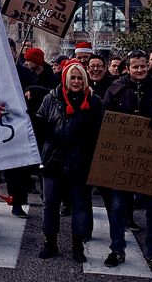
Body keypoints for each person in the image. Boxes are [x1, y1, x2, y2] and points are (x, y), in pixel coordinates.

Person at [102, 50, 152, 271]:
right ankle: (117, 249)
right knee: (118, 207)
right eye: (135, 66)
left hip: (150, 162)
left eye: (143, 66)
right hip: (122, 159)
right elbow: (103, 117)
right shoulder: (116, 89)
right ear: (127, 68)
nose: (140, 70)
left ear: (148, 67)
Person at [35, 61, 104, 262]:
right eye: (72, 77)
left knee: (79, 205)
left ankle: (77, 246)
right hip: (53, 160)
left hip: (79, 162)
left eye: (79, 78)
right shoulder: (51, 98)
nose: (76, 81)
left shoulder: (94, 102)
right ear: (65, 79)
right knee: (50, 204)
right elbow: (39, 122)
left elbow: (100, 132)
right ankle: (50, 243)